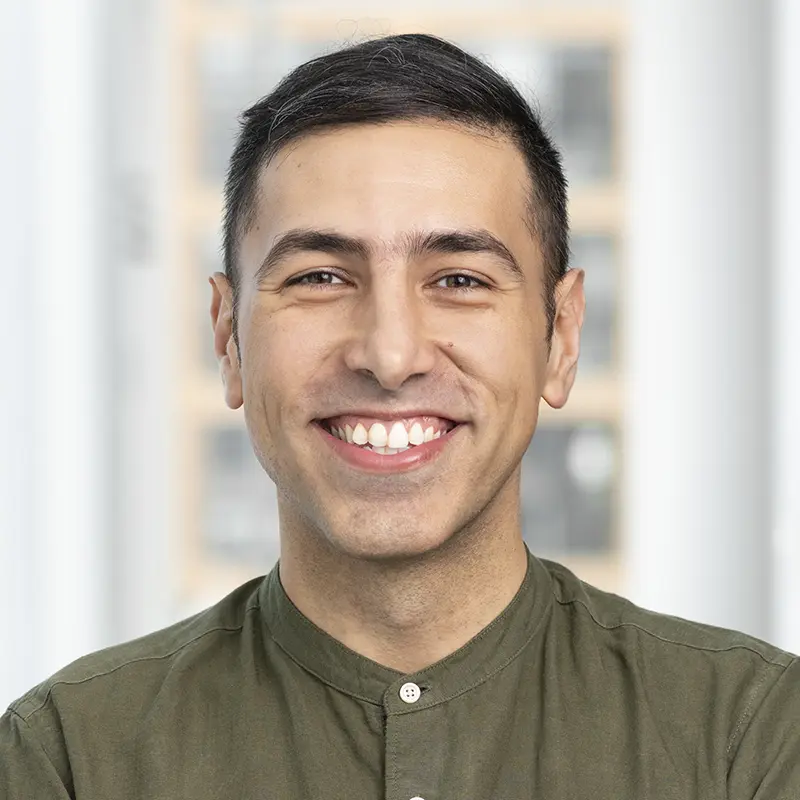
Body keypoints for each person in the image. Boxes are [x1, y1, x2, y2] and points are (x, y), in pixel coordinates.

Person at [1, 32, 798, 800]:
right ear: (228, 336)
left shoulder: (752, 738)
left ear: (560, 336)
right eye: (318, 277)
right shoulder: (67, 758)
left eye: (459, 280)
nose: (389, 355)